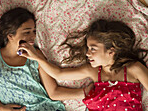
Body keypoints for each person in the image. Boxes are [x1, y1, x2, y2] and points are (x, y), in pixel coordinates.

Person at [18, 19, 148, 111]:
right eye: (87, 48)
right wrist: (36, 57)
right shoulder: (93, 71)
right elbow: (58, 74)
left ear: (111, 50)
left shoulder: (133, 69)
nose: (87, 53)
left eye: (93, 49)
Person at [0, 7, 92, 111]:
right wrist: (1, 107)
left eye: (34, 31)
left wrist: (85, 92)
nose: (33, 36)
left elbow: (53, 92)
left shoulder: (36, 55)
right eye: (27, 32)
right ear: (10, 35)